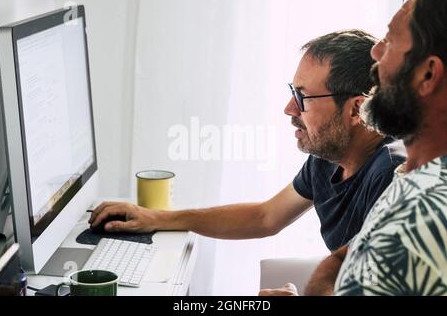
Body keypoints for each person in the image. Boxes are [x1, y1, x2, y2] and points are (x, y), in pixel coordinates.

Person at [90, 30, 405, 291]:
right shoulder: (329, 157)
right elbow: (265, 217)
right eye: (291, 92)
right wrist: (156, 218)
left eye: (302, 97)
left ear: (355, 110)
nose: (289, 109)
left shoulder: (395, 176)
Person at [305, 0, 447, 296]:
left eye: (390, 41)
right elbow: (348, 253)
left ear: (428, 75)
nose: (375, 51)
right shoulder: (411, 175)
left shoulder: (421, 218)